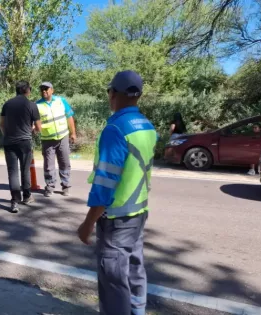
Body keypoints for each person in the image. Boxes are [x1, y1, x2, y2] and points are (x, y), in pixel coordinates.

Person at [77, 70, 157, 315]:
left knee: (113, 281)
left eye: (109, 91)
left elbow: (105, 183)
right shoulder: (147, 126)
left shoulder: (115, 129)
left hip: (116, 219)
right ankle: (137, 311)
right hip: (138, 212)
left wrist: (88, 223)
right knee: (134, 268)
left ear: (114, 94)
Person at [0, 81, 42, 213]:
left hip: (9, 142)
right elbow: (39, 128)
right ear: (27, 90)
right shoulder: (31, 105)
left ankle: (14, 202)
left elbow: (1, 124)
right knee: (25, 170)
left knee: (12, 172)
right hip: (25, 142)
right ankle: (27, 196)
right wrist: (33, 130)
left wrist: (6, 136)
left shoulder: (7, 104)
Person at [35, 82, 77, 197]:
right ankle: (50, 186)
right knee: (48, 165)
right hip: (47, 140)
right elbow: (34, 122)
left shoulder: (60, 101)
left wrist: (73, 133)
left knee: (64, 163)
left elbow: (69, 117)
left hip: (63, 137)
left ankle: (66, 186)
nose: (44, 91)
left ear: (52, 90)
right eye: (42, 89)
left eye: (46, 89)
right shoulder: (37, 105)